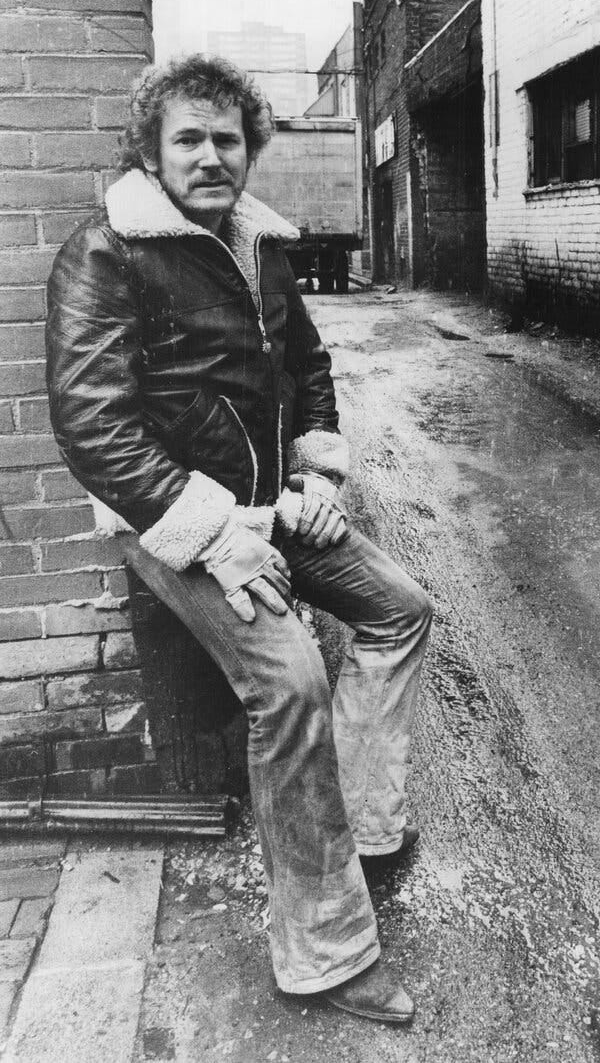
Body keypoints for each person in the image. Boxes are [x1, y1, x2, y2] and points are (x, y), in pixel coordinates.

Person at [45, 54, 433, 1023]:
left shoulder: (259, 245)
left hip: (273, 508)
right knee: (291, 683)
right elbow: (96, 429)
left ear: (250, 150)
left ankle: (362, 823)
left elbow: (307, 367)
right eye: (189, 139)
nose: (211, 157)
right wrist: (219, 537)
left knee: (400, 611)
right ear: (151, 151)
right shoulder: (106, 253)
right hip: (176, 526)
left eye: (228, 139)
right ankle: (325, 953)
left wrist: (315, 479)